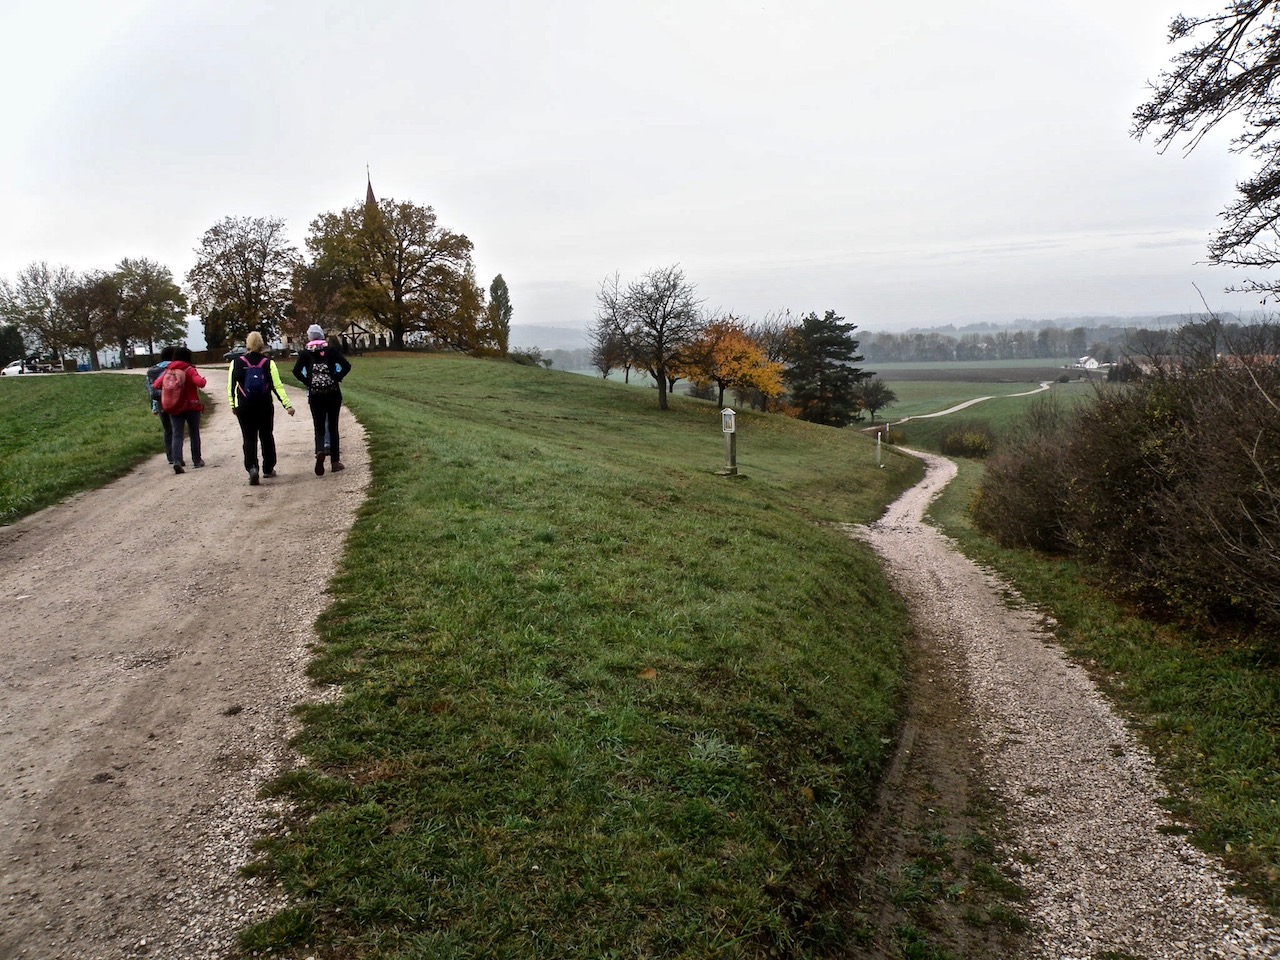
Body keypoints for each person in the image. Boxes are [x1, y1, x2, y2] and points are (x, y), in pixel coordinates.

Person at [227, 331, 296, 485]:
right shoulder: (268, 363)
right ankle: (268, 468)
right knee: (266, 436)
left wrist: (233, 404)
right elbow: (277, 386)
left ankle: (252, 467)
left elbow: (230, 386)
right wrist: (287, 405)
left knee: (249, 438)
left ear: (247, 344)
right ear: (261, 344)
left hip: (244, 406)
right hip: (264, 405)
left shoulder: (236, 363)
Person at [292, 324, 351, 477]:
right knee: (333, 427)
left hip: (316, 395)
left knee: (318, 426)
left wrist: (308, 382)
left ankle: (319, 450)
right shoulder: (331, 351)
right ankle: (335, 462)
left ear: (310, 337)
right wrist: (336, 378)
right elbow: (346, 365)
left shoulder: (305, 354)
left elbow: (296, 371)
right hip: (332, 394)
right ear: (322, 336)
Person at [160, 346, 207, 474]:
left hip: (175, 406)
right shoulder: (189, 369)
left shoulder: (169, 370)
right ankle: (197, 460)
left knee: (177, 434)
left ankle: (177, 460)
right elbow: (200, 383)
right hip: (192, 407)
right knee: (194, 433)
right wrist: (203, 380)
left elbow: (157, 384)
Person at [146, 346, 176, 463]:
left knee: (167, 429)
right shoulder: (174, 368)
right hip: (174, 401)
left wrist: (154, 406)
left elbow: (150, 390)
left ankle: (170, 456)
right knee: (176, 429)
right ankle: (177, 454)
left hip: (160, 402)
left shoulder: (151, 371)